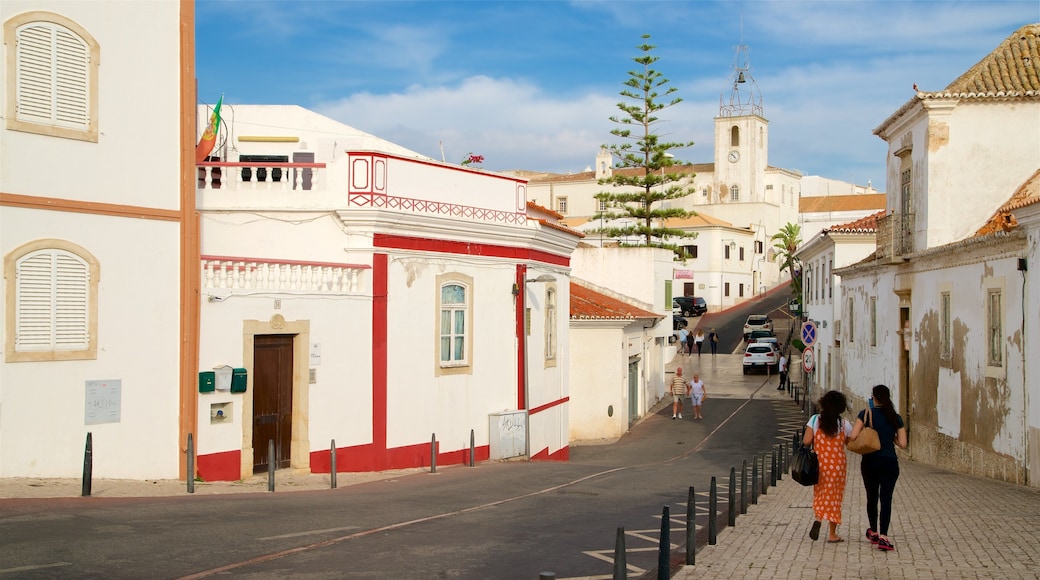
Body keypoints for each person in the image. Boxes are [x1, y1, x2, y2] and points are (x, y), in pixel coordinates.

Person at [849, 384, 907, 551]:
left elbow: (853, 436)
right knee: (886, 499)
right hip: (890, 462)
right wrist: (890, 437)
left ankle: (873, 532)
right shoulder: (895, 417)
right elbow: (903, 444)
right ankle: (884, 536)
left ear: (873, 398)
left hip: (870, 462)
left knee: (872, 497)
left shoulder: (865, 414)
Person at [803, 390, 853, 543]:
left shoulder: (815, 420)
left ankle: (818, 518)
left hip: (820, 465)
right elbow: (848, 443)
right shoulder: (844, 424)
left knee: (821, 493)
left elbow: (806, 441)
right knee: (835, 497)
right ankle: (832, 534)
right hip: (838, 465)